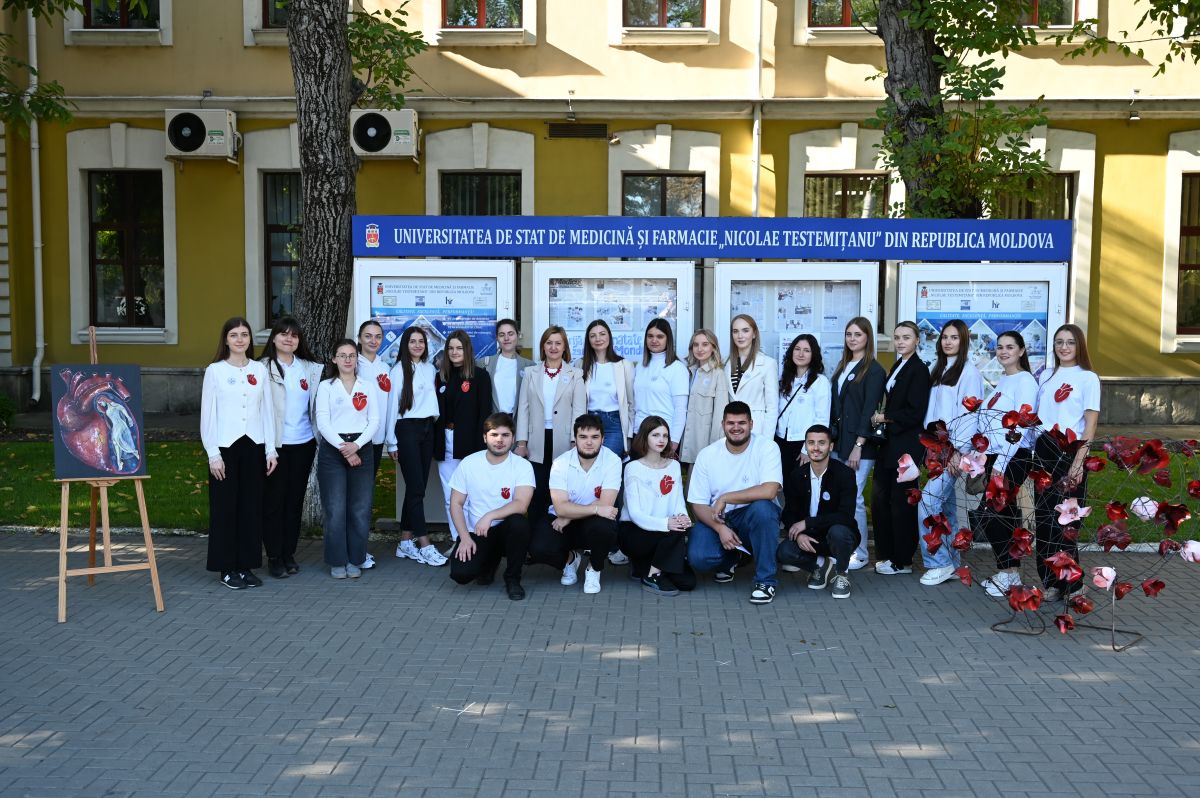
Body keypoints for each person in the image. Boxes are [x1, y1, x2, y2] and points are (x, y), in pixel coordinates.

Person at [201, 317, 278, 590]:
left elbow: (267, 411)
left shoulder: (259, 369)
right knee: (225, 508)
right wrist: (213, 453)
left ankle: (245, 565)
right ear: (226, 339)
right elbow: (208, 415)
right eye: (234, 334)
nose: (240, 339)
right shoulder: (215, 371)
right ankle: (226, 567)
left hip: (254, 445)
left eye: (244, 334)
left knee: (250, 508)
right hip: (225, 447)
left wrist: (270, 449)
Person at [686, 401, 784, 605]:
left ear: (751, 424)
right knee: (698, 557)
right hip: (719, 519)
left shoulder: (767, 447)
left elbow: (769, 490)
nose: (736, 427)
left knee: (763, 509)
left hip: (751, 518)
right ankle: (734, 557)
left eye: (742, 423)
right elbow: (698, 504)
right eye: (731, 423)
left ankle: (765, 581)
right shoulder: (708, 454)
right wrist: (720, 528)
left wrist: (725, 497)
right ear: (723, 424)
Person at [1032, 323, 1100, 601]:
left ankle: (1074, 585)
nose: (1064, 347)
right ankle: (1052, 581)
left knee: (1066, 522)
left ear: (1079, 345)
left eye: (1070, 342)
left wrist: (1078, 462)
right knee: (1044, 520)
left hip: (1070, 451)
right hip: (1044, 449)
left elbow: (1090, 425)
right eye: (1059, 342)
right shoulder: (1046, 375)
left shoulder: (1088, 378)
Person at [917, 319, 985, 586]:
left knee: (927, 501)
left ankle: (939, 562)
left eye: (954, 337)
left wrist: (959, 451)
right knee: (945, 507)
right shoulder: (939, 368)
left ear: (963, 341)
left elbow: (970, 415)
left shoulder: (968, 373)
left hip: (953, 449)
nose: (948, 341)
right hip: (935, 447)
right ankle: (953, 563)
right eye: (945, 337)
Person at [528, 414, 622, 594]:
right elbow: (560, 507)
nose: (589, 442)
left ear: (603, 439)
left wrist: (568, 516)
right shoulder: (561, 463)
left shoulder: (612, 461)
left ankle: (594, 568)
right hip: (563, 520)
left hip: (590, 522)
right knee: (538, 548)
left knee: (605, 528)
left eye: (595, 437)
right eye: (583, 437)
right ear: (575, 439)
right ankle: (570, 559)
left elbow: (606, 503)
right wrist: (583, 510)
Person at [260, 316, 322, 579]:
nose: (289, 339)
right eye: (283, 334)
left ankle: (289, 553)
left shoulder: (309, 368)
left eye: (294, 335)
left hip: (303, 444)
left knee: (294, 503)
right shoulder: (261, 368)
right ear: (273, 338)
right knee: (274, 502)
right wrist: (268, 448)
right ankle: (274, 556)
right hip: (275, 447)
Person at [448, 412, 535, 600]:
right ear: (484, 437)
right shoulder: (469, 463)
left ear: (513, 438)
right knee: (461, 575)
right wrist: (464, 537)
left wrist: (490, 516)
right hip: (477, 532)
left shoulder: (522, 466)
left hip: (506, 530)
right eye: (494, 434)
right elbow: (456, 503)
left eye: (505, 435)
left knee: (519, 524)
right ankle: (489, 562)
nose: (500, 440)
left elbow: (521, 504)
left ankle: (513, 578)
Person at [977, 331, 1038, 598]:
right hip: (996, 456)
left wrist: (1001, 463)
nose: (1003, 351)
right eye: (1000, 347)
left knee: (991, 514)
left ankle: (1008, 573)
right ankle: (1009, 574)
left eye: (1010, 347)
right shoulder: (1004, 379)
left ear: (1021, 351)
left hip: (1014, 457)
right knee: (1004, 515)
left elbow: (1022, 425)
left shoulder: (1025, 381)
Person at [314, 340, 380, 579]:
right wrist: (345, 450)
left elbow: (374, 420)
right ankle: (337, 560)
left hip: (361, 447)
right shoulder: (326, 387)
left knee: (360, 508)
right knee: (335, 508)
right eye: (342, 355)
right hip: (333, 450)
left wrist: (356, 447)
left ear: (356, 359)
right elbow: (323, 422)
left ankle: (356, 558)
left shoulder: (367, 386)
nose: (347, 360)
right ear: (334, 359)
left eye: (352, 355)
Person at [870, 321, 931, 577]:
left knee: (901, 504)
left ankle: (903, 560)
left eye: (906, 337)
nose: (900, 342)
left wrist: (884, 417)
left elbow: (915, 412)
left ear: (917, 340)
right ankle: (887, 555)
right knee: (881, 500)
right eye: (897, 337)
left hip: (906, 446)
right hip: (890, 444)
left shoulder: (919, 370)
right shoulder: (898, 365)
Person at [384, 326, 447, 567]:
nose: (418, 345)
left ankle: (404, 542)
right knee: (417, 488)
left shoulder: (430, 369)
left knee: (416, 487)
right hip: (407, 429)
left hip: (427, 429)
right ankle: (424, 543)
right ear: (405, 345)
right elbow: (392, 407)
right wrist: (392, 441)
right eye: (413, 341)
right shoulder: (398, 371)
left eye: (421, 341)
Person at [776, 424, 860, 600]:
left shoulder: (845, 474)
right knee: (784, 552)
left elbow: (845, 516)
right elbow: (788, 513)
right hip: (810, 538)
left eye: (821, 443)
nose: (816, 448)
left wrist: (808, 523)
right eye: (811, 443)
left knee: (838, 531)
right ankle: (820, 565)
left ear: (831, 446)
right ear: (805, 446)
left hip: (838, 536)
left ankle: (841, 574)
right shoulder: (797, 475)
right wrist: (799, 535)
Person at [828, 316, 886, 570]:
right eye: (849, 334)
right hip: (840, 443)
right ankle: (841, 548)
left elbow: (869, 410)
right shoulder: (843, 365)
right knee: (841, 498)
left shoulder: (873, 370)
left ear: (868, 338)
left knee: (854, 499)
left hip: (859, 446)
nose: (852, 339)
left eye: (858, 334)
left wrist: (859, 445)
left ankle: (860, 553)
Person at [619, 416, 697, 596]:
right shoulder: (632, 467)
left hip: (664, 533)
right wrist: (667, 523)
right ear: (644, 437)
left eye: (665, 435)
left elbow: (678, 502)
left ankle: (646, 567)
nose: (661, 440)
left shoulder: (674, 466)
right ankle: (653, 576)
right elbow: (635, 514)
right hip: (635, 531)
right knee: (675, 531)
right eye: (655, 435)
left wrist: (683, 517)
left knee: (688, 582)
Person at [515, 326, 587, 520]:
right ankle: (536, 532)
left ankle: (558, 533)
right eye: (549, 343)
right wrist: (521, 442)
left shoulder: (576, 374)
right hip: (536, 439)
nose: (553, 347)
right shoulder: (530, 373)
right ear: (543, 346)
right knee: (537, 489)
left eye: (558, 343)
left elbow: (579, 411)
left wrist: (576, 441)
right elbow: (523, 409)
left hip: (565, 440)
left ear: (564, 347)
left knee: (561, 488)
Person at [435, 330, 493, 540]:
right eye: (450, 348)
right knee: (450, 495)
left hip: (470, 442)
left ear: (467, 350)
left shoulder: (480, 376)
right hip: (446, 441)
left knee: (471, 495)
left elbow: (484, 414)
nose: (454, 352)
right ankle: (458, 539)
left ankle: (475, 539)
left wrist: (482, 446)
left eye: (459, 348)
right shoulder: (440, 377)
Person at [355, 319, 391, 569]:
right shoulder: (353, 364)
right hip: (356, 442)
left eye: (378, 336)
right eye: (368, 336)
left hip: (376, 442)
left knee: (365, 497)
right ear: (359, 338)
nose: (373, 340)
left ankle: (360, 548)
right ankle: (355, 549)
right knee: (356, 498)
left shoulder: (384, 367)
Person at [632, 319, 689, 457]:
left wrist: (674, 441)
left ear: (668, 339)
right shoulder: (640, 366)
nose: (654, 340)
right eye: (650, 336)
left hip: (662, 437)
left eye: (660, 336)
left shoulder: (677, 368)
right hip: (639, 435)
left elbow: (680, 409)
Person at [775, 333, 831, 471]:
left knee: (798, 482)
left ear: (813, 355)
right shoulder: (785, 379)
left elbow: (822, 419)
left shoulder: (820, 382)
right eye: (797, 349)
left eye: (806, 350)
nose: (801, 354)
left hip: (802, 443)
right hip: (780, 440)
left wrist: (808, 448)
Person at [581, 319, 635, 458]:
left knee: (608, 463)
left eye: (602, 334)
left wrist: (629, 433)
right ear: (588, 340)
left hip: (614, 424)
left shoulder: (624, 365)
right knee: (590, 464)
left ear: (609, 336)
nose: (598, 339)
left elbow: (631, 403)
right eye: (593, 336)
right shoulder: (580, 364)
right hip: (588, 423)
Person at [725, 314, 779, 437]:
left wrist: (767, 440)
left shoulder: (768, 364)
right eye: (735, 331)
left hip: (756, 429)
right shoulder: (726, 364)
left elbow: (772, 408)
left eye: (745, 330)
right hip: (732, 430)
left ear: (754, 334)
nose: (740, 336)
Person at [681, 329, 727, 466]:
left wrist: (715, 446)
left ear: (713, 347)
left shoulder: (718, 374)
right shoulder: (689, 372)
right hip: (687, 440)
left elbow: (720, 414)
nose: (700, 349)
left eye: (705, 344)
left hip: (704, 442)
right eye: (696, 345)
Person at [477, 319, 533, 428]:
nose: (506, 338)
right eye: (502, 335)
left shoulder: (529, 366)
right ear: (497, 338)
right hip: (493, 424)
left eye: (510, 334)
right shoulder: (484, 363)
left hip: (519, 424)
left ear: (518, 335)